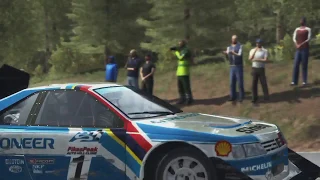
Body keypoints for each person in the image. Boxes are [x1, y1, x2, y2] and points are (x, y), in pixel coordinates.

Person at [170, 40, 193, 105]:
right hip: (179, 72)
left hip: (184, 71)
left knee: (186, 86)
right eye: (178, 43)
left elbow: (180, 57)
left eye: (180, 44)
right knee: (180, 87)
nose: (179, 45)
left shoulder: (186, 50)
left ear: (183, 44)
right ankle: (182, 98)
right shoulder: (181, 50)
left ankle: (189, 99)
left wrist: (176, 51)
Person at [223, 35, 245, 102]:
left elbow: (239, 55)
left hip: (238, 66)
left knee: (240, 82)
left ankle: (241, 97)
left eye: (235, 39)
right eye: (233, 39)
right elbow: (227, 58)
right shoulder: (229, 47)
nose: (234, 40)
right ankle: (232, 96)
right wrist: (226, 54)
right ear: (231, 39)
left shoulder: (240, 46)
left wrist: (233, 53)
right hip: (232, 66)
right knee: (232, 82)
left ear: (237, 39)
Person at [291, 17, 312, 86]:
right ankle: (294, 81)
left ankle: (304, 81)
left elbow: (308, 39)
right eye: (300, 20)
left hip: (304, 49)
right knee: (296, 64)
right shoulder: (297, 29)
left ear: (304, 21)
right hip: (298, 49)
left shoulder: (308, 29)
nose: (301, 21)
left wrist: (301, 44)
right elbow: (294, 37)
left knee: (304, 65)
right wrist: (296, 44)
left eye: (302, 20)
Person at [249, 39, 269, 103]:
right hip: (254, 68)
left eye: (259, 43)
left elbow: (265, 60)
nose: (258, 44)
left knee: (263, 83)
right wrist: (255, 51)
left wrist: (257, 59)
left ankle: (266, 97)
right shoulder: (252, 50)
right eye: (257, 43)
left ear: (261, 43)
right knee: (254, 84)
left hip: (261, 68)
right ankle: (254, 98)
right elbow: (250, 58)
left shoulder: (264, 51)